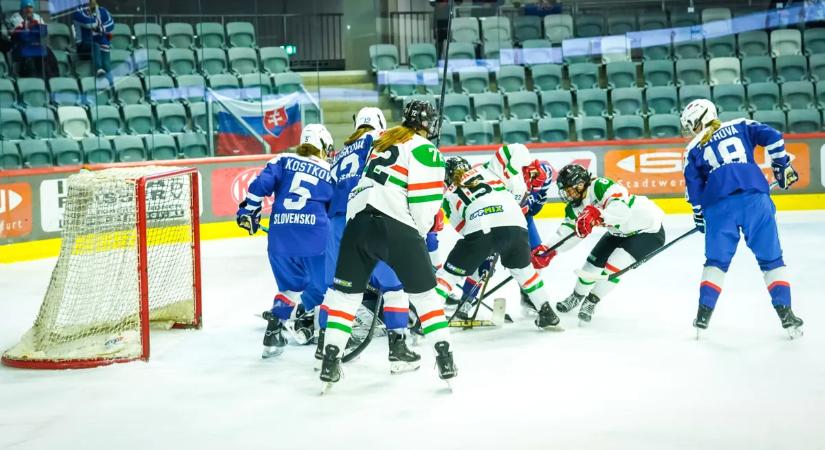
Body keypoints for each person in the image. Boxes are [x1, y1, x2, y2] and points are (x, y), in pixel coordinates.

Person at [317, 100, 455, 391]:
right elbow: (423, 206)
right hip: (395, 226)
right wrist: (417, 235)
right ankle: (445, 360)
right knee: (426, 298)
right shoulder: (427, 150)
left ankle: (330, 361)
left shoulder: (381, 140)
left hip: (356, 225)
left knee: (344, 299)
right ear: (429, 124)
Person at [680, 98, 803, 337]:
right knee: (772, 260)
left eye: (692, 125)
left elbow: (694, 192)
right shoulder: (740, 124)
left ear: (700, 120)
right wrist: (781, 165)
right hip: (755, 200)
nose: (691, 130)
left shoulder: (692, 149)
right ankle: (786, 315)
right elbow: (774, 136)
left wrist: (700, 216)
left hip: (718, 208)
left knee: (715, 262)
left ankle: (703, 317)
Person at [319, 106, 420, 374]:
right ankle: (398, 349)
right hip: (371, 214)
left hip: (337, 223)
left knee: (338, 291)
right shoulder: (382, 139)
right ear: (380, 123)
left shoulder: (340, 153)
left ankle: (325, 347)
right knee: (395, 287)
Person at [434, 147, 561, 330]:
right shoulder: (486, 169)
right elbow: (514, 150)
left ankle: (430, 318)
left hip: (481, 228)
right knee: (524, 272)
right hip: (515, 223)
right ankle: (547, 312)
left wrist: (487, 247)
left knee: (448, 275)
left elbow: (463, 228)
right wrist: (530, 165)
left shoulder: (447, 197)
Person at [236, 124, 334, 358]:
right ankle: (327, 342)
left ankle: (273, 334)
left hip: (280, 237)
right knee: (329, 291)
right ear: (323, 146)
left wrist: (249, 211)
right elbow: (334, 208)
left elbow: (260, 186)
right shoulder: (330, 171)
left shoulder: (282, 160)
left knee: (290, 288)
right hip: (315, 237)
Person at [548, 164, 665, 323]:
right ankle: (576, 296)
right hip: (617, 232)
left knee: (615, 265)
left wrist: (597, 214)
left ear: (580, 184)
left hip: (648, 232)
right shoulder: (575, 206)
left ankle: (592, 300)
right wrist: (549, 250)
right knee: (592, 264)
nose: (568, 195)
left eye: (569, 190)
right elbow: (567, 232)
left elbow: (622, 212)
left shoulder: (600, 186)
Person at [6, 0, 54, 78]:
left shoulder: (37, 17)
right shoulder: (15, 18)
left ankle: (51, 78)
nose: (28, 10)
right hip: (20, 46)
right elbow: (23, 36)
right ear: (22, 9)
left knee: (48, 52)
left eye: (30, 7)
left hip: (36, 45)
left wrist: (32, 29)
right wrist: (33, 28)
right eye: (26, 8)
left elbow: (43, 32)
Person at [72, 0, 115, 79]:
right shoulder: (78, 12)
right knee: (96, 45)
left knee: (105, 44)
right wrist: (99, 23)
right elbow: (88, 23)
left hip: (98, 42)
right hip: (82, 46)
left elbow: (111, 24)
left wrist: (100, 28)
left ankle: (110, 81)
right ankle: (98, 69)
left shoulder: (102, 10)